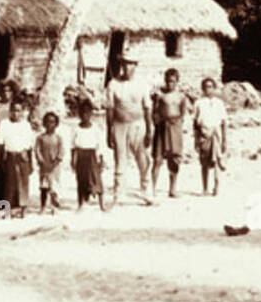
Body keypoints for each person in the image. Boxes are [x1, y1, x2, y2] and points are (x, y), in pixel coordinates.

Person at [105, 53, 151, 200]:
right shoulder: (114, 84)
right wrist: (109, 130)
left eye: (131, 64)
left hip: (138, 125)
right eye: (125, 63)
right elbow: (110, 108)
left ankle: (146, 189)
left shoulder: (142, 84)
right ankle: (118, 191)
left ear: (136, 65)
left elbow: (147, 108)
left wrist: (149, 130)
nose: (128, 67)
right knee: (120, 158)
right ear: (121, 65)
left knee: (142, 157)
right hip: (119, 125)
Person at [151, 68, 190, 198]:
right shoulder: (160, 96)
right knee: (157, 159)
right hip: (162, 127)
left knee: (174, 158)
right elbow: (154, 112)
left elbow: (182, 113)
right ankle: (153, 188)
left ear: (177, 81)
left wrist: (176, 123)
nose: (170, 84)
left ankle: (172, 189)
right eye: (168, 81)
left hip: (175, 128)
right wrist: (158, 121)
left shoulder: (181, 97)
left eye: (173, 81)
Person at [0, 99, 34, 217]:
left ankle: (23, 209)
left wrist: (30, 162)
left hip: (23, 156)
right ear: (9, 111)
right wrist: (2, 160)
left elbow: (29, 145)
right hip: (10, 155)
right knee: (9, 184)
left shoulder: (26, 125)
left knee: (24, 183)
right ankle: (7, 210)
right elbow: (0, 143)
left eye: (18, 111)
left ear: (22, 112)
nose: (15, 114)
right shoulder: (4, 124)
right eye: (13, 111)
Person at [193, 77, 229, 196]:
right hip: (204, 134)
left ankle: (216, 186)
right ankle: (205, 187)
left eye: (210, 87)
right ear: (203, 89)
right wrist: (196, 139)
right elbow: (195, 123)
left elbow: (224, 122)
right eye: (206, 87)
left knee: (217, 159)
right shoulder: (199, 103)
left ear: (214, 88)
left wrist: (224, 139)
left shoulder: (219, 103)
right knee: (204, 162)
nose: (208, 89)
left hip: (216, 133)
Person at [71, 99, 106, 210]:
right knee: (81, 180)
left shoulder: (95, 128)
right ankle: (81, 204)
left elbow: (100, 145)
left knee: (96, 179)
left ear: (91, 114)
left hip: (92, 156)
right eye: (82, 113)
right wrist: (73, 160)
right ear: (79, 114)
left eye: (87, 112)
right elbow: (73, 146)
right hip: (81, 156)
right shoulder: (75, 128)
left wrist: (101, 159)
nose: (85, 115)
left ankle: (101, 205)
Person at [34, 111, 66, 213]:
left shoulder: (58, 138)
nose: (50, 124)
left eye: (52, 122)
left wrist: (56, 162)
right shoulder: (40, 138)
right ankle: (43, 206)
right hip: (44, 166)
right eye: (47, 122)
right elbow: (37, 150)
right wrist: (41, 160)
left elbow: (61, 151)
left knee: (54, 187)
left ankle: (54, 207)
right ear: (44, 124)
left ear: (56, 124)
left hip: (55, 167)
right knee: (44, 187)